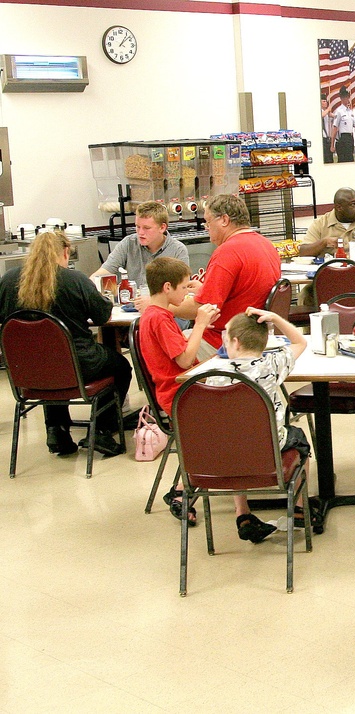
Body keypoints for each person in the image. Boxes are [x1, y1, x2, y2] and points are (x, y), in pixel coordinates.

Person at [0, 231, 132, 457]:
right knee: (120, 367)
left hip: (25, 370)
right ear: (64, 253)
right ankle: (101, 429)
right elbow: (101, 316)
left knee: (48, 356)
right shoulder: (74, 280)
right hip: (79, 364)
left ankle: (57, 430)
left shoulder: (7, 281)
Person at [204, 308, 311, 544]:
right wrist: (274, 317)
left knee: (232, 439)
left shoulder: (214, 374)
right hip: (268, 447)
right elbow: (300, 341)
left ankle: (242, 513)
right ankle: (300, 508)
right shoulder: (271, 364)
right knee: (300, 439)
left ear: (235, 341)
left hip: (225, 453)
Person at [140, 256, 221, 524]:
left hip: (181, 388)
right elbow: (184, 360)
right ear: (167, 288)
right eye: (184, 288)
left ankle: (192, 483)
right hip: (178, 395)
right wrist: (199, 324)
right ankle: (184, 487)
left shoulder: (154, 314)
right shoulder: (160, 319)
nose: (187, 293)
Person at [170, 195, 279, 360]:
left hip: (226, 342)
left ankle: (180, 386)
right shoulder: (266, 245)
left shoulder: (227, 252)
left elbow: (202, 308)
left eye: (208, 222)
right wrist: (205, 289)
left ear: (224, 220)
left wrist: (161, 304)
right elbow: (244, 290)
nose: (206, 228)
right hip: (257, 337)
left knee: (164, 346)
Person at [91, 201, 189, 307]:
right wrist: (85, 288)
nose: (140, 232)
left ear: (162, 228)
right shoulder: (128, 243)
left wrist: (154, 303)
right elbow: (104, 272)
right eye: (137, 227)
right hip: (131, 308)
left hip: (164, 310)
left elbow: (182, 290)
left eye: (147, 228)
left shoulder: (178, 250)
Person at [329, 86, 355, 163]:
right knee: (344, 161)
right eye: (344, 97)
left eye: (347, 96)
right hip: (343, 138)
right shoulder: (339, 111)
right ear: (341, 98)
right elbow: (335, 129)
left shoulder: (350, 112)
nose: (346, 98)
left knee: (350, 160)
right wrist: (332, 144)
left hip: (351, 138)